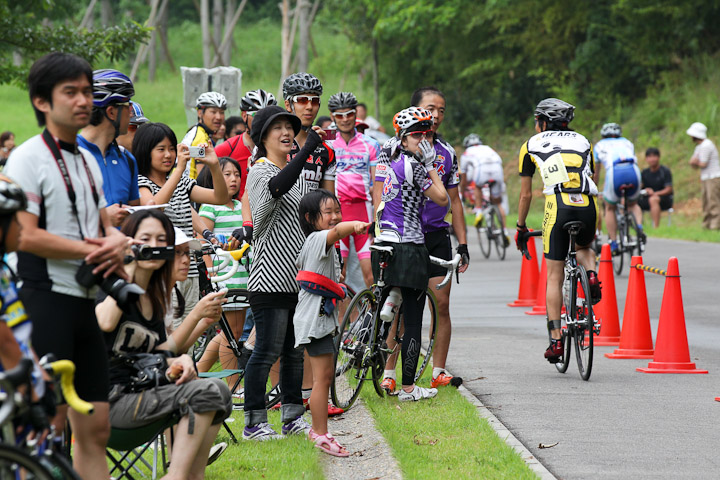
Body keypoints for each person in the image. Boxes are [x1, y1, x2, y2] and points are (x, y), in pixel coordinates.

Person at [5, 52, 130, 479]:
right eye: (70, 92)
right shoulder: (26, 158)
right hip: (44, 301)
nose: (83, 101)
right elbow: (24, 236)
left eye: (87, 92)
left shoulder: (88, 159)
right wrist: (91, 250)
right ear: (42, 101)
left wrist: (118, 243)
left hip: (85, 304)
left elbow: (103, 226)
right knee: (46, 430)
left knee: (96, 429)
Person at [95, 209, 232, 477]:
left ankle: (191, 475)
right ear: (129, 242)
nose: (154, 247)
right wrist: (128, 267)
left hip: (142, 394)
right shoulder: (112, 282)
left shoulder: (155, 299)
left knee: (219, 391)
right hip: (108, 404)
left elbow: (159, 352)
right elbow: (105, 322)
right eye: (146, 239)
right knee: (206, 392)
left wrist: (178, 359)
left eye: (161, 241)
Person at [243, 105, 324, 440]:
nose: (287, 132)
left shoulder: (299, 173)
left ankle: (292, 418)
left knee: (293, 353)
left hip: (296, 280)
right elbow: (274, 193)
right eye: (278, 128)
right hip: (268, 279)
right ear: (263, 137)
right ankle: (253, 423)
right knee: (267, 350)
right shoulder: (259, 170)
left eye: (290, 127)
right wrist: (306, 151)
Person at [381, 86, 468, 391]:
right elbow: (381, 191)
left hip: (434, 235)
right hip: (405, 238)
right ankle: (390, 373)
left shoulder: (446, 151)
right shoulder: (393, 148)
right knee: (404, 308)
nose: (436, 115)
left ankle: (438, 369)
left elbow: (453, 201)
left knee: (440, 304)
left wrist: (463, 243)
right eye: (430, 108)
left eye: (441, 110)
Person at [515, 98, 601, 364]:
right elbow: (592, 177)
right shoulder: (584, 141)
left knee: (553, 274)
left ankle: (555, 341)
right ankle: (592, 275)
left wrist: (520, 227)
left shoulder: (530, 144)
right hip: (587, 204)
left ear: (542, 122)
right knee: (584, 248)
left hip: (558, 205)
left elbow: (526, 195)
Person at [373, 107, 449, 401]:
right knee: (414, 319)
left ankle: (390, 301)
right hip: (410, 244)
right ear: (403, 138)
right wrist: (431, 165)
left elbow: (377, 191)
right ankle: (407, 387)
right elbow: (442, 200)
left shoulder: (386, 154)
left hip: (384, 241)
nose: (424, 139)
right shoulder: (416, 166)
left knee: (390, 306)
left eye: (427, 133)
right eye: (417, 135)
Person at [295, 189, 368, 456]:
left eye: (338, 211)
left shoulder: (317, 242)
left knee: (322, 378)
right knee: (322, 379)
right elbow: (337, 233)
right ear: (311, 218)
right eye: (329, 212)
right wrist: (355, 225)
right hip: (315, 319)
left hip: (317, 318)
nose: (336, 217)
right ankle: (320, 433)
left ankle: (321, 431)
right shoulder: (318, 239)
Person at [134, 122, 228, 326]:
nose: (168, 155)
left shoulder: (183, 183)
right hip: (163, 275)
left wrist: (214, 165)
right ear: (145, 151)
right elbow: (153, 209)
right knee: (171, 335)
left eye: (171, 149)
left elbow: (220, 197)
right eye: (161, 149)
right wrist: (179, 171)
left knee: (189, 341)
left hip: (189, 271)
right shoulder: (141, 183)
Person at [196, 157, 249, 385]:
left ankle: (196, 373)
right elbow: (202, 240)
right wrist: (211, 272)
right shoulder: (210, 207)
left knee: (229, 333)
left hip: (242, 276)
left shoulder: (240, 207)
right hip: (223, 277)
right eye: (227, 174)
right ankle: (233, 386)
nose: (233, 179)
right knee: (232, 334)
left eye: (236, 174)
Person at [327, 91, 380, 287]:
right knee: (339, 276)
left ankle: (372, 317)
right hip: (338, 214)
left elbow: (377, 186)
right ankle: (345, 319)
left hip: (363, 213)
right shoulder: (329, 146)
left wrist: (377, 221)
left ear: (355, 113)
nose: (344, 119)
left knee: (370, 276)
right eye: (339, 115)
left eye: (349, 114)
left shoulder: (371, 145)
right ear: (332, 116)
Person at [78, 69, 140, 227]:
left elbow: (135, 219)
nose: (131, 112)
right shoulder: (68, 156)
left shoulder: (127, 160)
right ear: (111, 112)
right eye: (127, 105)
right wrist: (103, 219)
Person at [216, 89, 277, 200]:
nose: (263, 120)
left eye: (268, 116)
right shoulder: (226, 149)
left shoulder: (282, 149)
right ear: (244, 116)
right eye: (256, 115)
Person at [593, 122, 644, 253]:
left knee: (610, 207)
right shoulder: (627, 142)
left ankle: (614, 242)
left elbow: (596, 172)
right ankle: (639, 226)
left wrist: (594, 188)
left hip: (615, 172)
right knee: (633, 204)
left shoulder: (599, 145)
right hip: (633, 170)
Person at [282, 72, 336, 193]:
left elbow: (328, 199)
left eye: (315, 101)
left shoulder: (326, 149)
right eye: (302, 100)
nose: (310, 106)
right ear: (288, 105)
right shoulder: (271, 143)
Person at [460, 133, 509, 241]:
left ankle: (478, 211)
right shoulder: (487, 148)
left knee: (478, 187)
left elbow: (463, 179)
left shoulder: (466, 154)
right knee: (497, 202)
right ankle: (504, 231)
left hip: (481, 170)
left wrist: (462, 193)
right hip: (497, 170)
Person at [182, 91, 227, 179]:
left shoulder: (197, 132)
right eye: (213, 112)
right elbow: (202, 177)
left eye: (221, 112)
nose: (218, 117)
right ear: (200, 113)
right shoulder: (200, 138)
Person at [687, 122, 720, 229]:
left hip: (713, 176)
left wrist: (694, 162)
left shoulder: (707, 145)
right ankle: (707, 224)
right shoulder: (699, 147)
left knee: (713, 201)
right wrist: (695, 162)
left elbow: (702, 163)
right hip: (705, 177)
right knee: (706, 201)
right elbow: (694, 163)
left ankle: (716, 225)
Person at [639, 147, 673, 228]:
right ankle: (637, 227)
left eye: (654, 156)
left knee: (653, 199)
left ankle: (655, 227)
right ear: (646, 159)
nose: (652, 159)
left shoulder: (665, 171)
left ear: (658, 157)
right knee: (630, 201)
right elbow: (640, 186)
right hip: (646, 198)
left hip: (663, 199)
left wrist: (655, 193)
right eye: (649, 157)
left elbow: (669, 189)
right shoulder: (644, 172)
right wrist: (645, 190)